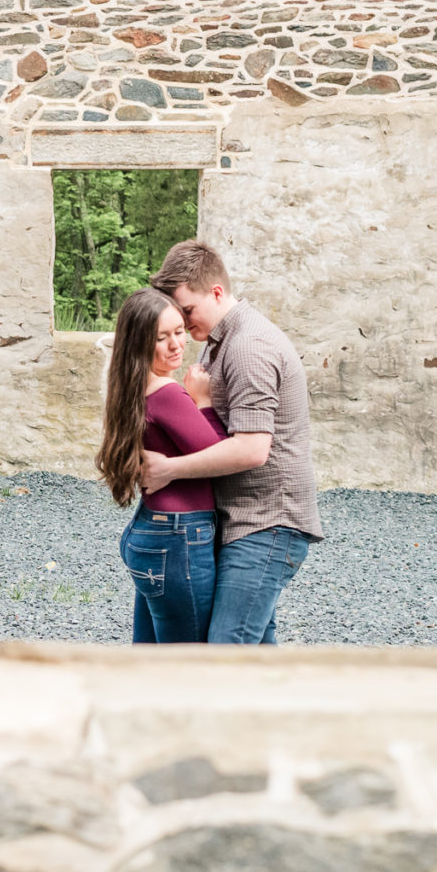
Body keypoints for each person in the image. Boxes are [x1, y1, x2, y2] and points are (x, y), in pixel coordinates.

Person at [144, 240, 322, 645]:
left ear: (216, 292)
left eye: (187, 310)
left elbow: (252, 449)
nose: (184, 323)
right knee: (252, 654)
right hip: (245, 521)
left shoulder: (248, 347)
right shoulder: (220, 342)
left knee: (227, 652)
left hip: (267, 522)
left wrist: (168, 470)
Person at [96, 287, 225, 643]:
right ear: (139, 343)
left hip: (151, 531)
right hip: (180, 537)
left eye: (179, 331)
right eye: (161, 338)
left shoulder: (130, 387)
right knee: (183, 659)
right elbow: (217, 456)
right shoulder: (168, 393)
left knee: (150, 656)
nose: (176, 345)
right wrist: (203, 401)